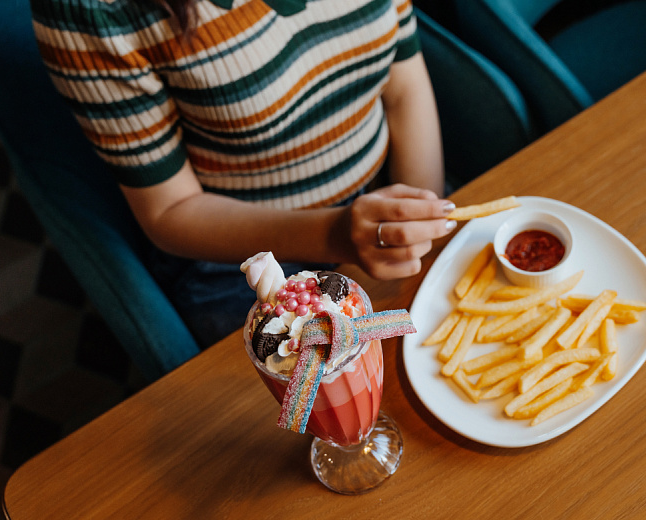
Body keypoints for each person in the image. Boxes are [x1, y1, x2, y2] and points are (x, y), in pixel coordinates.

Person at [30, 0, 455, 346]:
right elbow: (169, 210)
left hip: (389, 200)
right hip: (246, 260)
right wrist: (340, 234)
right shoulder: (93, 10)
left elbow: (403, 88)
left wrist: (419, 218)